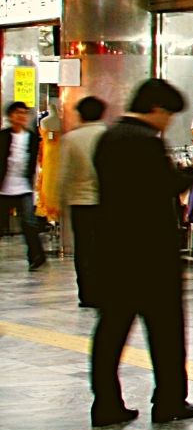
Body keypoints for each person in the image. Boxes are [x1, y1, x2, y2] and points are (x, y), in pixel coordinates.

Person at [89, 80, 193, 427]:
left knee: (111, 331)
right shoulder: (144, 142)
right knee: (166, 330)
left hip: (113, 251)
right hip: (151, 254)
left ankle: (106, 403)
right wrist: (186, 175)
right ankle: (170, 400)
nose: (168, 122)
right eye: (168, 115)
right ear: (156, 109)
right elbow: (162, 186)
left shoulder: (109, 137)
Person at [57, 97, 109, 307]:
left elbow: (63, 174)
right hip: (106, 201)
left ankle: (87, 294)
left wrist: (60, 200)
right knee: (104, 247)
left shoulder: (71, 139)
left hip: (80, 201)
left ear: (80, 114)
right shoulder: (108, 136)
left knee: (84, 249)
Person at [2, 100, 45, 270]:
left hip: (23, 187)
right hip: (4, 187)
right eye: (17, 113)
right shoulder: (3, 136)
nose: (21, 117)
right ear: (11, 116)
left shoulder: (33, 138)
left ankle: (36, 256)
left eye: (24, 113)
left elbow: (33, 162)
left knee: (29, 223)